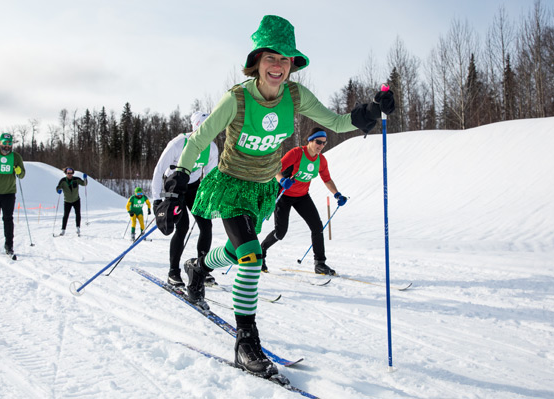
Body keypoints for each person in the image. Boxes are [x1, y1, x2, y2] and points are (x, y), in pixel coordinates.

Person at [155, 15, 395, 377]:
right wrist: (178, 177)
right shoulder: (236, 99)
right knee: (251, 257)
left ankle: (198, 267)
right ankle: (245, 342)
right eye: (272, 57)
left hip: (263, 189)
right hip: (232, 185)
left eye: (286, 59)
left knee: (239, 252)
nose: (279, 66)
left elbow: (337, 122)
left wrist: (370, 111)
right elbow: (200, 139)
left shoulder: (295, 96)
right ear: (256, 62)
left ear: (292, 65)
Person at [260, 127, 348, 275]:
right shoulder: (296, 153)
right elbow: (276, 168)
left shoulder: (321, 160)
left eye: (324, 143)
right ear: (309, 140)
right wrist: (282, 181)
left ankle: (320, 263)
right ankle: (261, 251)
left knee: (317, 227)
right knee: (280, 232)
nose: (321, 146)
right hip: (284, 195)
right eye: (318, 142)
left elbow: (326, 179)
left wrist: (337, 194)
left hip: (302, 196)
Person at [152, 111, 219, 287]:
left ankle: (201, 269)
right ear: (195, 128)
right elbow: (159, 171)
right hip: (174, 185)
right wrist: (157, 200)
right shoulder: (177, 144)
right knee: (182, 226)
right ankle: (173, 272)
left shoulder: (211, 148)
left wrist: (210, 200)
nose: (205, 135)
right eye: (202, 130)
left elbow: (211, 177)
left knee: (206, 225)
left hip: (194, 185)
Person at [56, 166, 88, 236]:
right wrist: (58, 190)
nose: (69, 174)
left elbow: (84, 184)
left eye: (71, 173)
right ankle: (63, 230)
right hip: (67, 201)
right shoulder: (63, 181)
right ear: (66, 173)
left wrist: (85, 178)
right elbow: (58, 187)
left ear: (73, 173)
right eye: (68, 173)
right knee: (66, 215)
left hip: (76, 200)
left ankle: (78, 228)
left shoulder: (76, 179)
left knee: (78, 214)